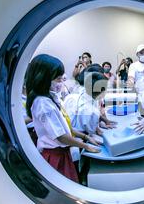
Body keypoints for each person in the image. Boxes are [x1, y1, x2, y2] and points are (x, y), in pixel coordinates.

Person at [25, 54, 101, 182]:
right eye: (59, 79)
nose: (62, 83)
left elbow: (66, 128)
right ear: (43, 79)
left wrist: (86, 137)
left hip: (63, 151)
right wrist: (86, 146)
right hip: (55, 155)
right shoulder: (43, 103)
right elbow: (60, 136)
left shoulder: (51, 98)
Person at [127, 44, 144, 112]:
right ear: (137, 54)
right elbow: (131, 78)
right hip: (140, 94)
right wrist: (131, 83)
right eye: (141, 53)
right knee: (142, 113)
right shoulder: (133, 65)